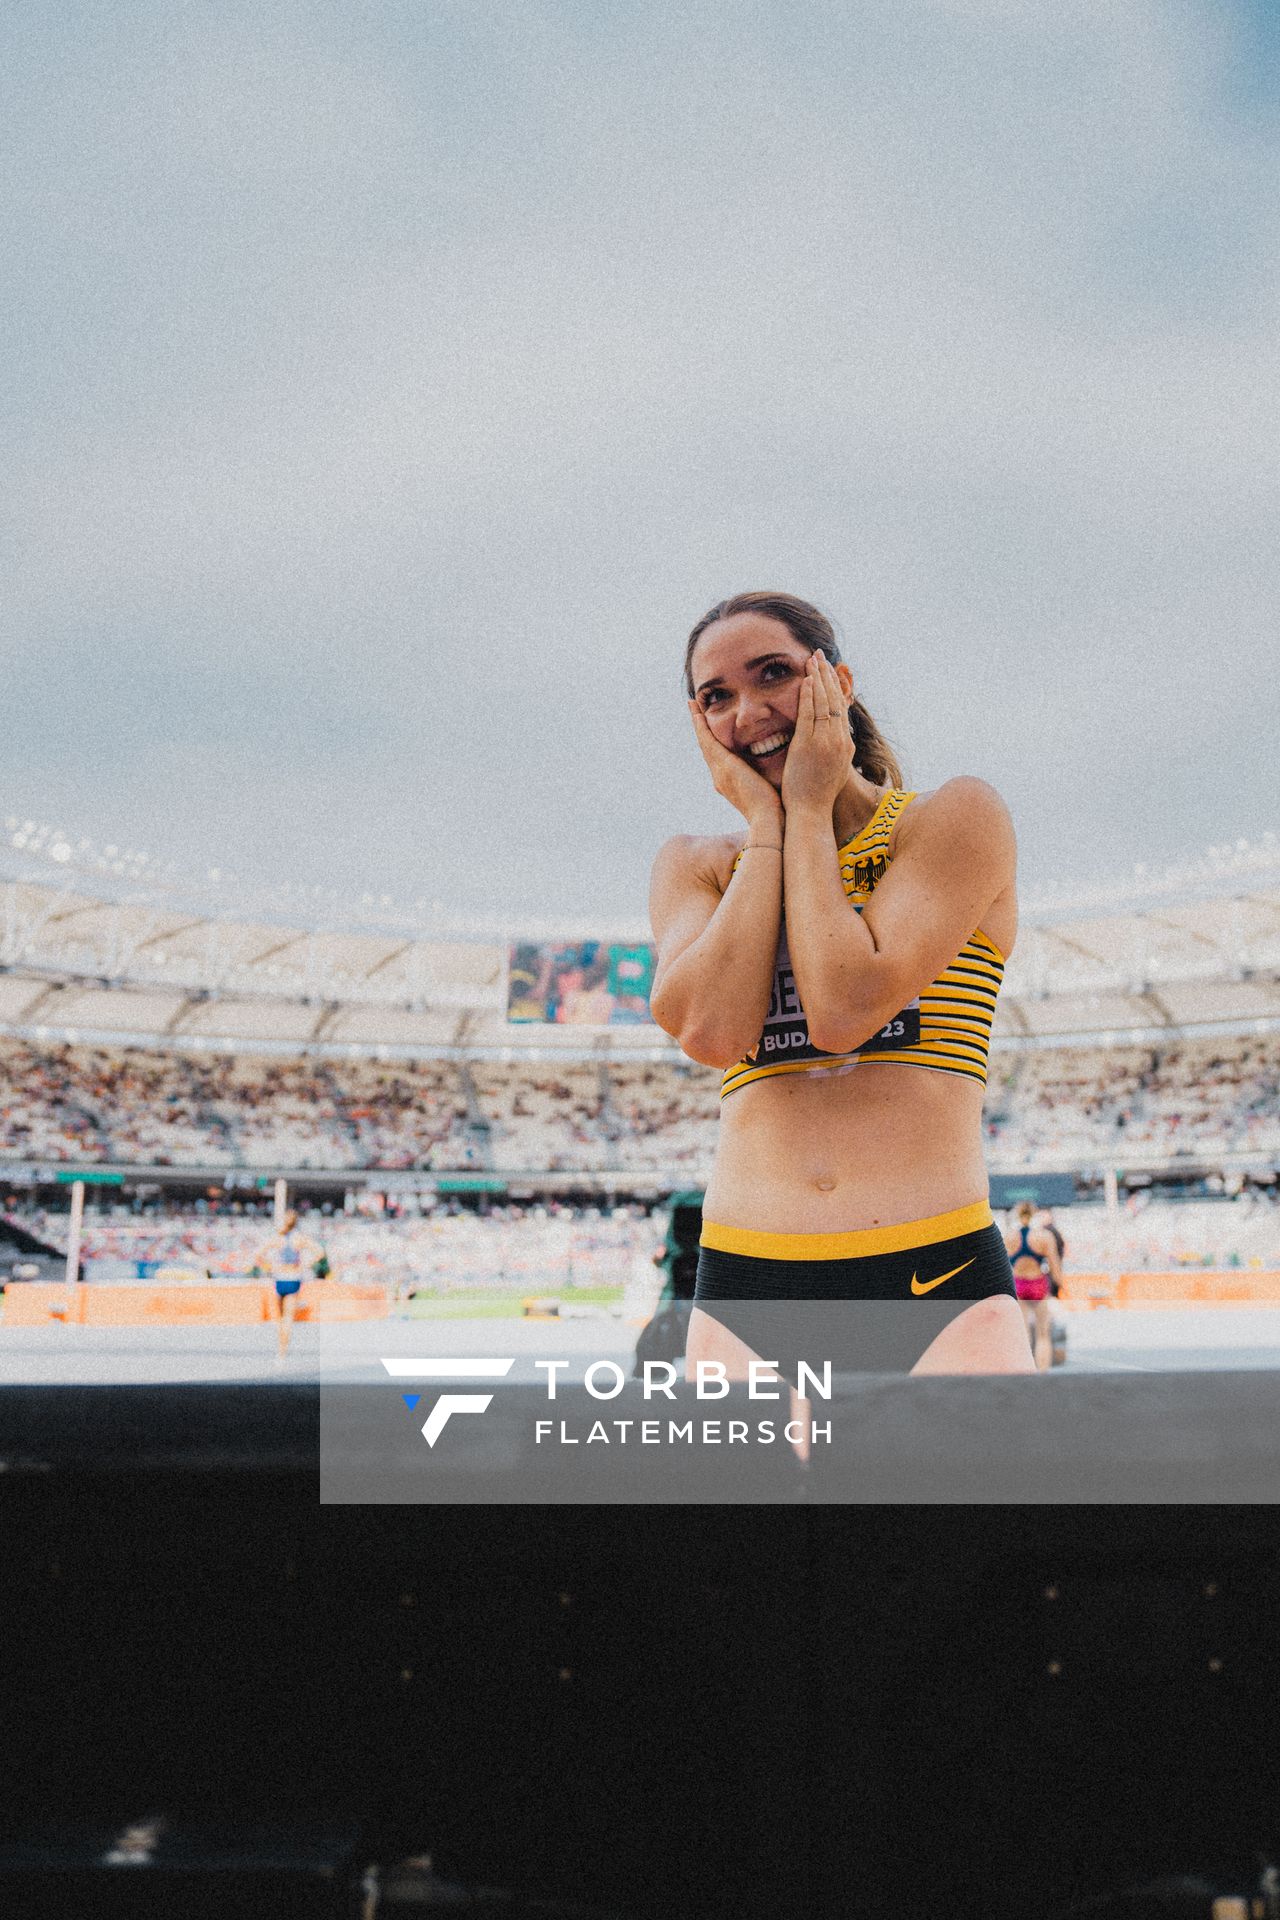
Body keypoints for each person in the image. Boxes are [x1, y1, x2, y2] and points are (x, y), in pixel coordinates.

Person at [648, 591, 1034, 1407]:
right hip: (746, 1282)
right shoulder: (697, 865)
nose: (748, 711)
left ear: (838, 681)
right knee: (747, 1539)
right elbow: (710, 1030)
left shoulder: (950, 819)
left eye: (773, 675)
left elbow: (843, 1010)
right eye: (716, 696)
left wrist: (813, 807)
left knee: (964, 1534)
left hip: (937, 1274)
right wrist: (767, 825)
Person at [252, 1208, 327, 1356]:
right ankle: (283, 1351)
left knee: (279, 1317)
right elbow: (320, 1252)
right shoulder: (300, 1238)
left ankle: (280, 1345)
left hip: (279, 1277)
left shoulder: (277, 1238)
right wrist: (306, 1265)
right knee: (288, 1318)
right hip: (293, 1277)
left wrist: (269, 1267)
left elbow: (258, 1254)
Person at [1003, 1201, 1062, 1371]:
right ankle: (1042, 1373)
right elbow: (1055, 1266)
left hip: (1018, 1283)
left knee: (1024, 1333)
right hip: (1037, 1284)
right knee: (1043, 1334)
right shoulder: (1044, 1236)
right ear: (1034, 1214)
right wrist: (1061, 1286)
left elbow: (1003, 1266)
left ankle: (1025, 1372)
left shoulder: (1009, 1237)